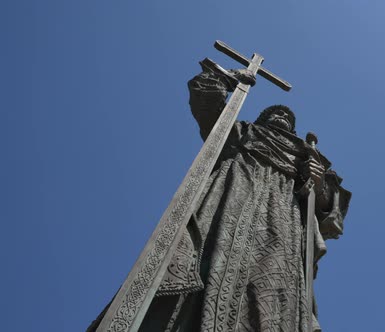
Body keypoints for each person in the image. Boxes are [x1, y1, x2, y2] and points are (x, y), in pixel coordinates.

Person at [88, 59, 350, 332]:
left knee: (274, 289)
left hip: (283, 219)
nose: (282, 117)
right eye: (276, 113)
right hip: (229, 198)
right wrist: (230, 77)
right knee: (207, 262)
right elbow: (206, 101)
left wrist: (317, 181)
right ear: (263, 119)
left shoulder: (307, 157)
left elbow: (328, 212)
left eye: (288, 117)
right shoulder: (241, 131)